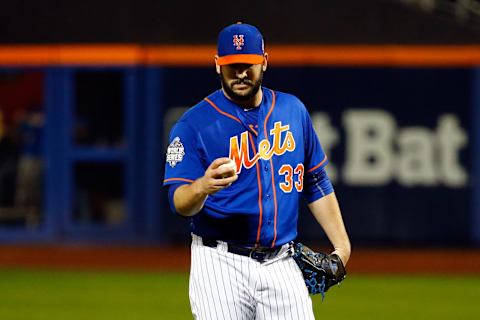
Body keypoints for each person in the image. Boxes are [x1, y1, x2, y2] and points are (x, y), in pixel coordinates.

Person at [163, 22, 351, 320]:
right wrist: (201, 187)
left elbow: (315, 181)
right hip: (219, 262)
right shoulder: (192, 125)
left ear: (264, 61)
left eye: (248, 64)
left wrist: (342, 247)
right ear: (217, 66)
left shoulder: (292, 111)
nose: (240, 73)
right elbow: (179, 202)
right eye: (231, 65)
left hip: (282, 262)